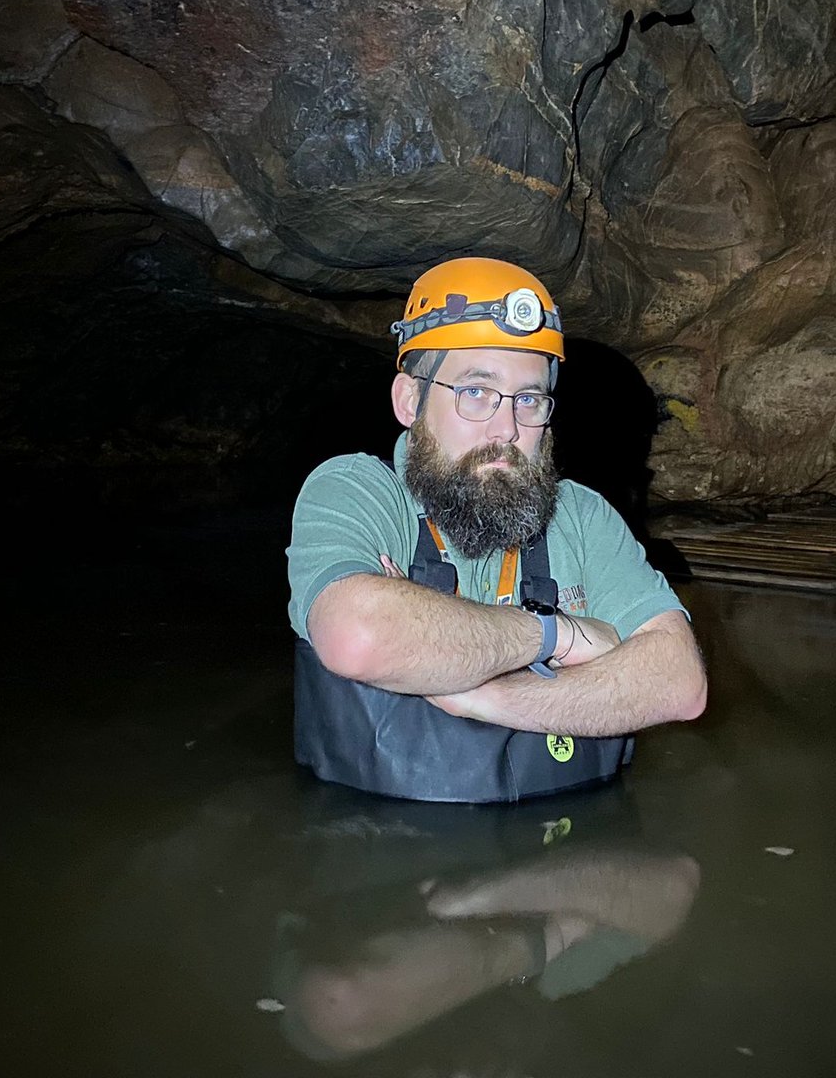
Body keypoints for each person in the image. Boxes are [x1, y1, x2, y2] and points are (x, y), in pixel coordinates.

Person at [286, 257, 706, 802]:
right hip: (386, 864)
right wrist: (558, 635)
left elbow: (679, 683)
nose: (506, 428)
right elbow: (360, 636)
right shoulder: (356, 490)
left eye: (528, 400)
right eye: (476, 392)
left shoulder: (580, 515)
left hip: (576, 858)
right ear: (410, 401)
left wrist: (487, 695)